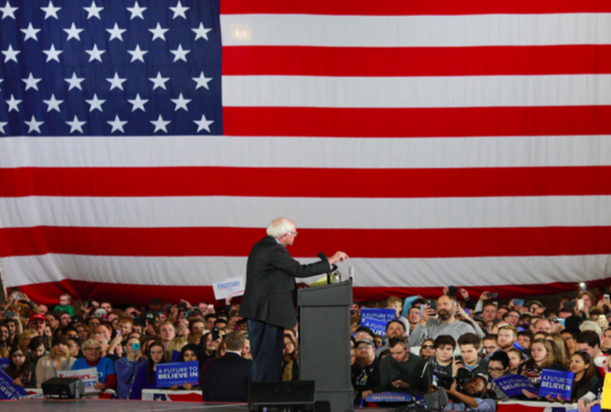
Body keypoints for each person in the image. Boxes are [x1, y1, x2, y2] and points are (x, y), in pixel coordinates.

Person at [239, 217, 348, 382]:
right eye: (294, 233)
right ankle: (265, 402)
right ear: (285, 234)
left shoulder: (265, 246)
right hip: (265, 313)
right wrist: (330, 261)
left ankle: (266, 400)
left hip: (266, 313)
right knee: (267, 360)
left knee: (269, 359)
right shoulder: (272, 249)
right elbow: (299, 270)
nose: (295, 236)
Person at [361, 337, 427, 398]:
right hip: (392, 398)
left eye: (399, 353)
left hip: (413, 398)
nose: (395, 356)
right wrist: (371, 391)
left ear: (406, 349)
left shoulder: (419, 362)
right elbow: (385, 384)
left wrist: (406, 385)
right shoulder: (385, 361)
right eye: (392, 353)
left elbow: (423, 386)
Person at [201, 332, 252, 402]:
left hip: (214, 407)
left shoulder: (211, 364)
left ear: (224, 345)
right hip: (240, 408)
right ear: (243, 346)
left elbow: (206, 389)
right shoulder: (249, 365)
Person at [409, 296, 476, 348]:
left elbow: (474, 348)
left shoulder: (466, 328)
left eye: (445, 304)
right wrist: (423, 320)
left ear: (454, 307)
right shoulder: (429, 324)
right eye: (439, 305)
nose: (442, 307)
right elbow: (412, 344)